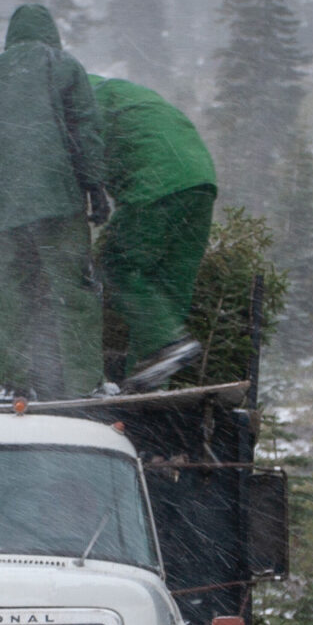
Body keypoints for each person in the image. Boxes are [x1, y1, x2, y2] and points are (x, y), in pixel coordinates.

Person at [0, 3, 106, 400]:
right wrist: (95, 187)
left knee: (12, 291)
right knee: (73, 290)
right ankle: (86, 384)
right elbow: (85, 128)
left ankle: (11, 383)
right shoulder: (61, 64)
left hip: (8, 207)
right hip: (57, 197)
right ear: (50, 32)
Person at [87, 75, 215, 391]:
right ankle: (151, 379)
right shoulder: (120, 93)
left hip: (157, 181)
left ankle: (167, 345)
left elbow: (82, 155)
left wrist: (91, 193)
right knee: (167, 286)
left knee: (119, 266)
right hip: (200, 178)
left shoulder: (83, 100)